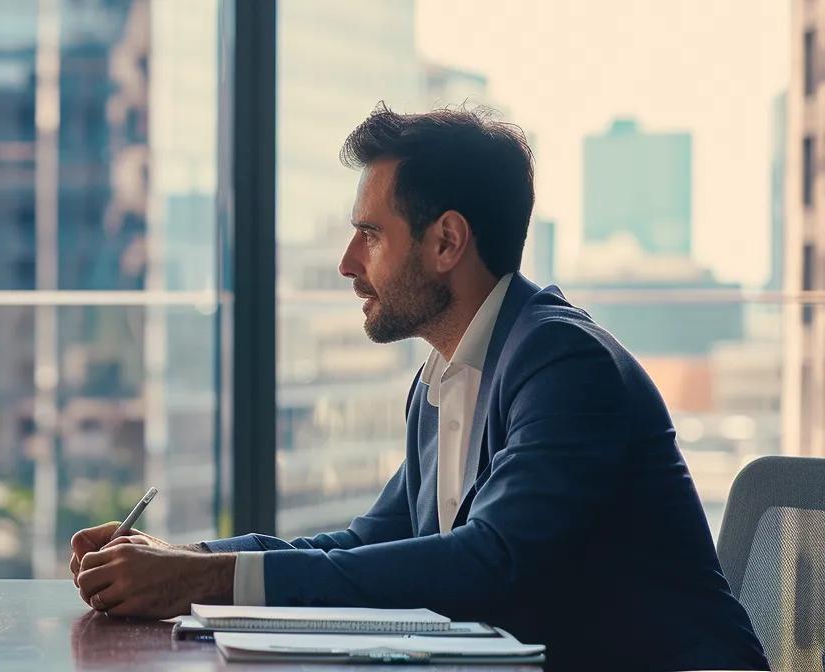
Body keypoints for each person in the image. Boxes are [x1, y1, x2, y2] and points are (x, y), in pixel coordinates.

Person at [67, 105, 767, 670]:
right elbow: (365, 544)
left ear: (446, 243)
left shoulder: (562, 363)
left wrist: (203, 583)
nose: (347, 263)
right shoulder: (444, 378)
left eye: (370, 235)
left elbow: (491, 563)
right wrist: (187, 560)